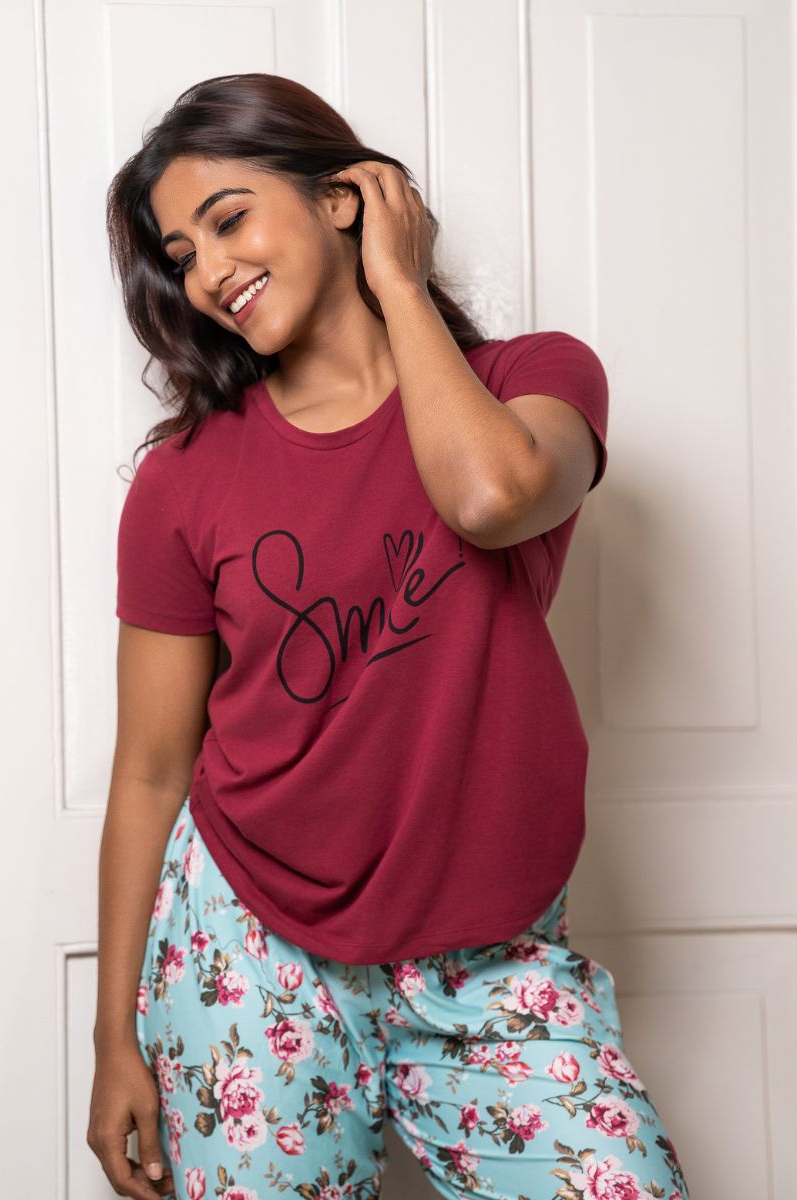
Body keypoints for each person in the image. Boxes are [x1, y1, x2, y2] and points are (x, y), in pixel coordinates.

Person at [87, 72, 691, 1200]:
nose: (211, 270)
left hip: (488, 956)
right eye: (181, 253)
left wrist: (399, 288)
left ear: (344, 198)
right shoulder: (181, 481)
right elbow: (151, 768)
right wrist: (112, 1035)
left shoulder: (535, 382)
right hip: (245, 947)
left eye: (229, 219)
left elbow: (492, 499)